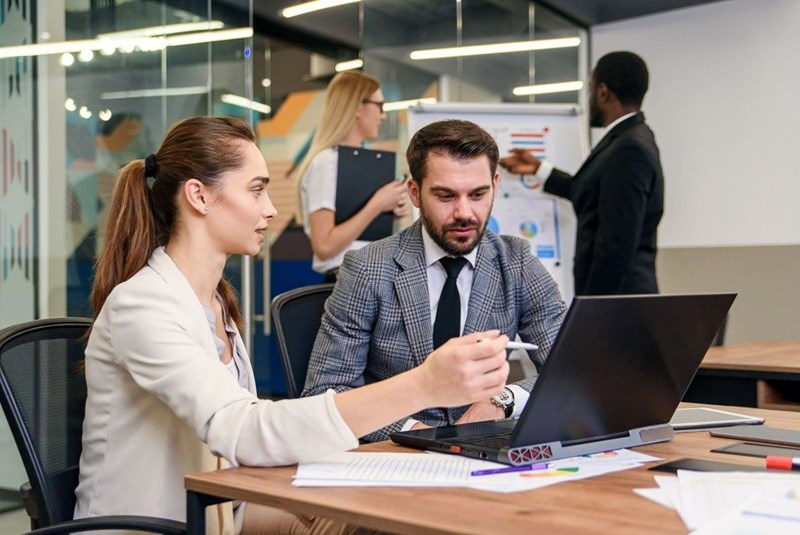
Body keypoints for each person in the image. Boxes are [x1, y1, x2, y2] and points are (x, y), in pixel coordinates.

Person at [74, 116, 511, 533]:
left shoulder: (215, 303)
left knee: (381, 515)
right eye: (257, 190)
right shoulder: (143, 304)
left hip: (223, 512)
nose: (270, 210)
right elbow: (243, 431)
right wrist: (424, 386)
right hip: (157, 524)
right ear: (199, 196)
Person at [302, 119, 567, 443]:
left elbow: (570, 368)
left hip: (485, 452)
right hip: (394, 457)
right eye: (445, 196)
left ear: (495, 185)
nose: (464, 212)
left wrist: (500, 401)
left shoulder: (517, 262)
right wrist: (413, 431)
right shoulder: (368, 268)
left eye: (478, 194)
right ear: (415, 192)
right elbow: (324, 393)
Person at [499, 50, 664, 296]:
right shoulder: (628, 139)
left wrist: (590, 309)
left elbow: (615, 245)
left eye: (590, 89)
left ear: (602, 92)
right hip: (620, 300)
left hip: (618, 303)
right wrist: (539, 169)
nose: (589, 98)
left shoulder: (628, 148)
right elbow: (591, 193)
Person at [295, 71, 408, 281]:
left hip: (372, 276)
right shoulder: (326, 162)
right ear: (358, 106)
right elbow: (324, 246)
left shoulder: (356, 162)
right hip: (345, 280)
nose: (382, 116)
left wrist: (387, 214)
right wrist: (377, 205)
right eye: (379, 106)